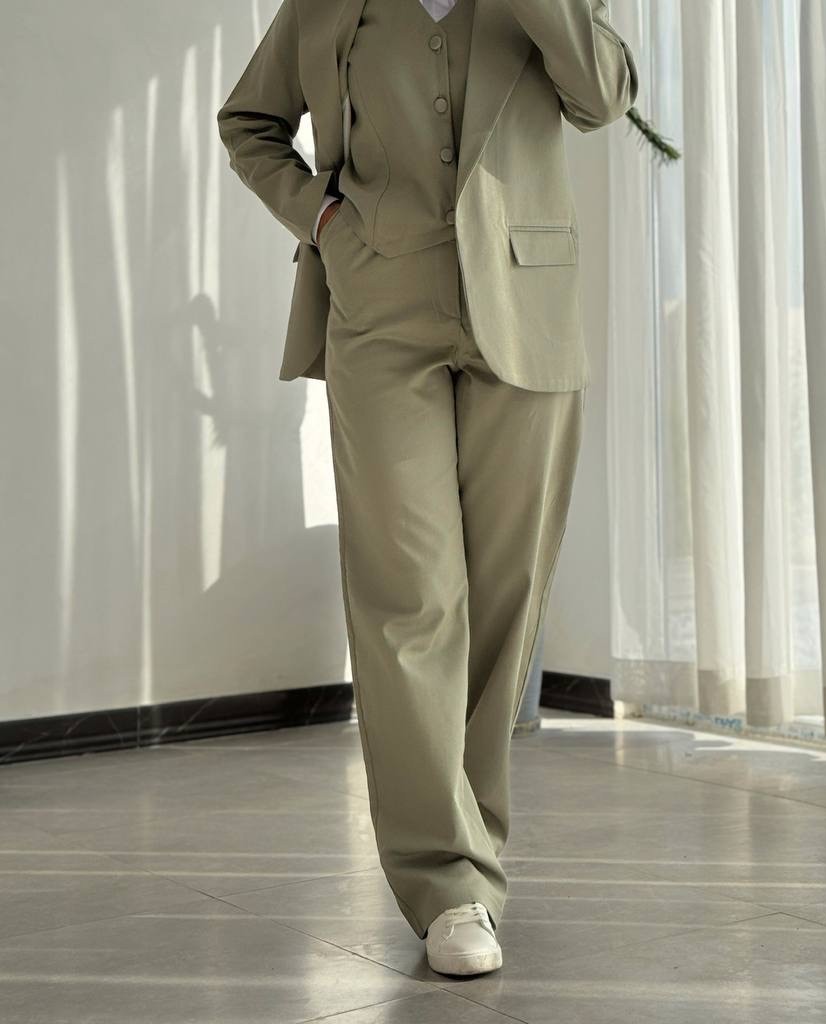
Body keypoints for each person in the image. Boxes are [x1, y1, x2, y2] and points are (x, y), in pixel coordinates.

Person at [217, 0, 638, 977]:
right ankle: (446, 883)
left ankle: (474, 854)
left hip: (526, 303)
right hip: (378, 313)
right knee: (408, 593)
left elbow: (603, 96)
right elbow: (250, 121)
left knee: (501, 598)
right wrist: (322, 219)